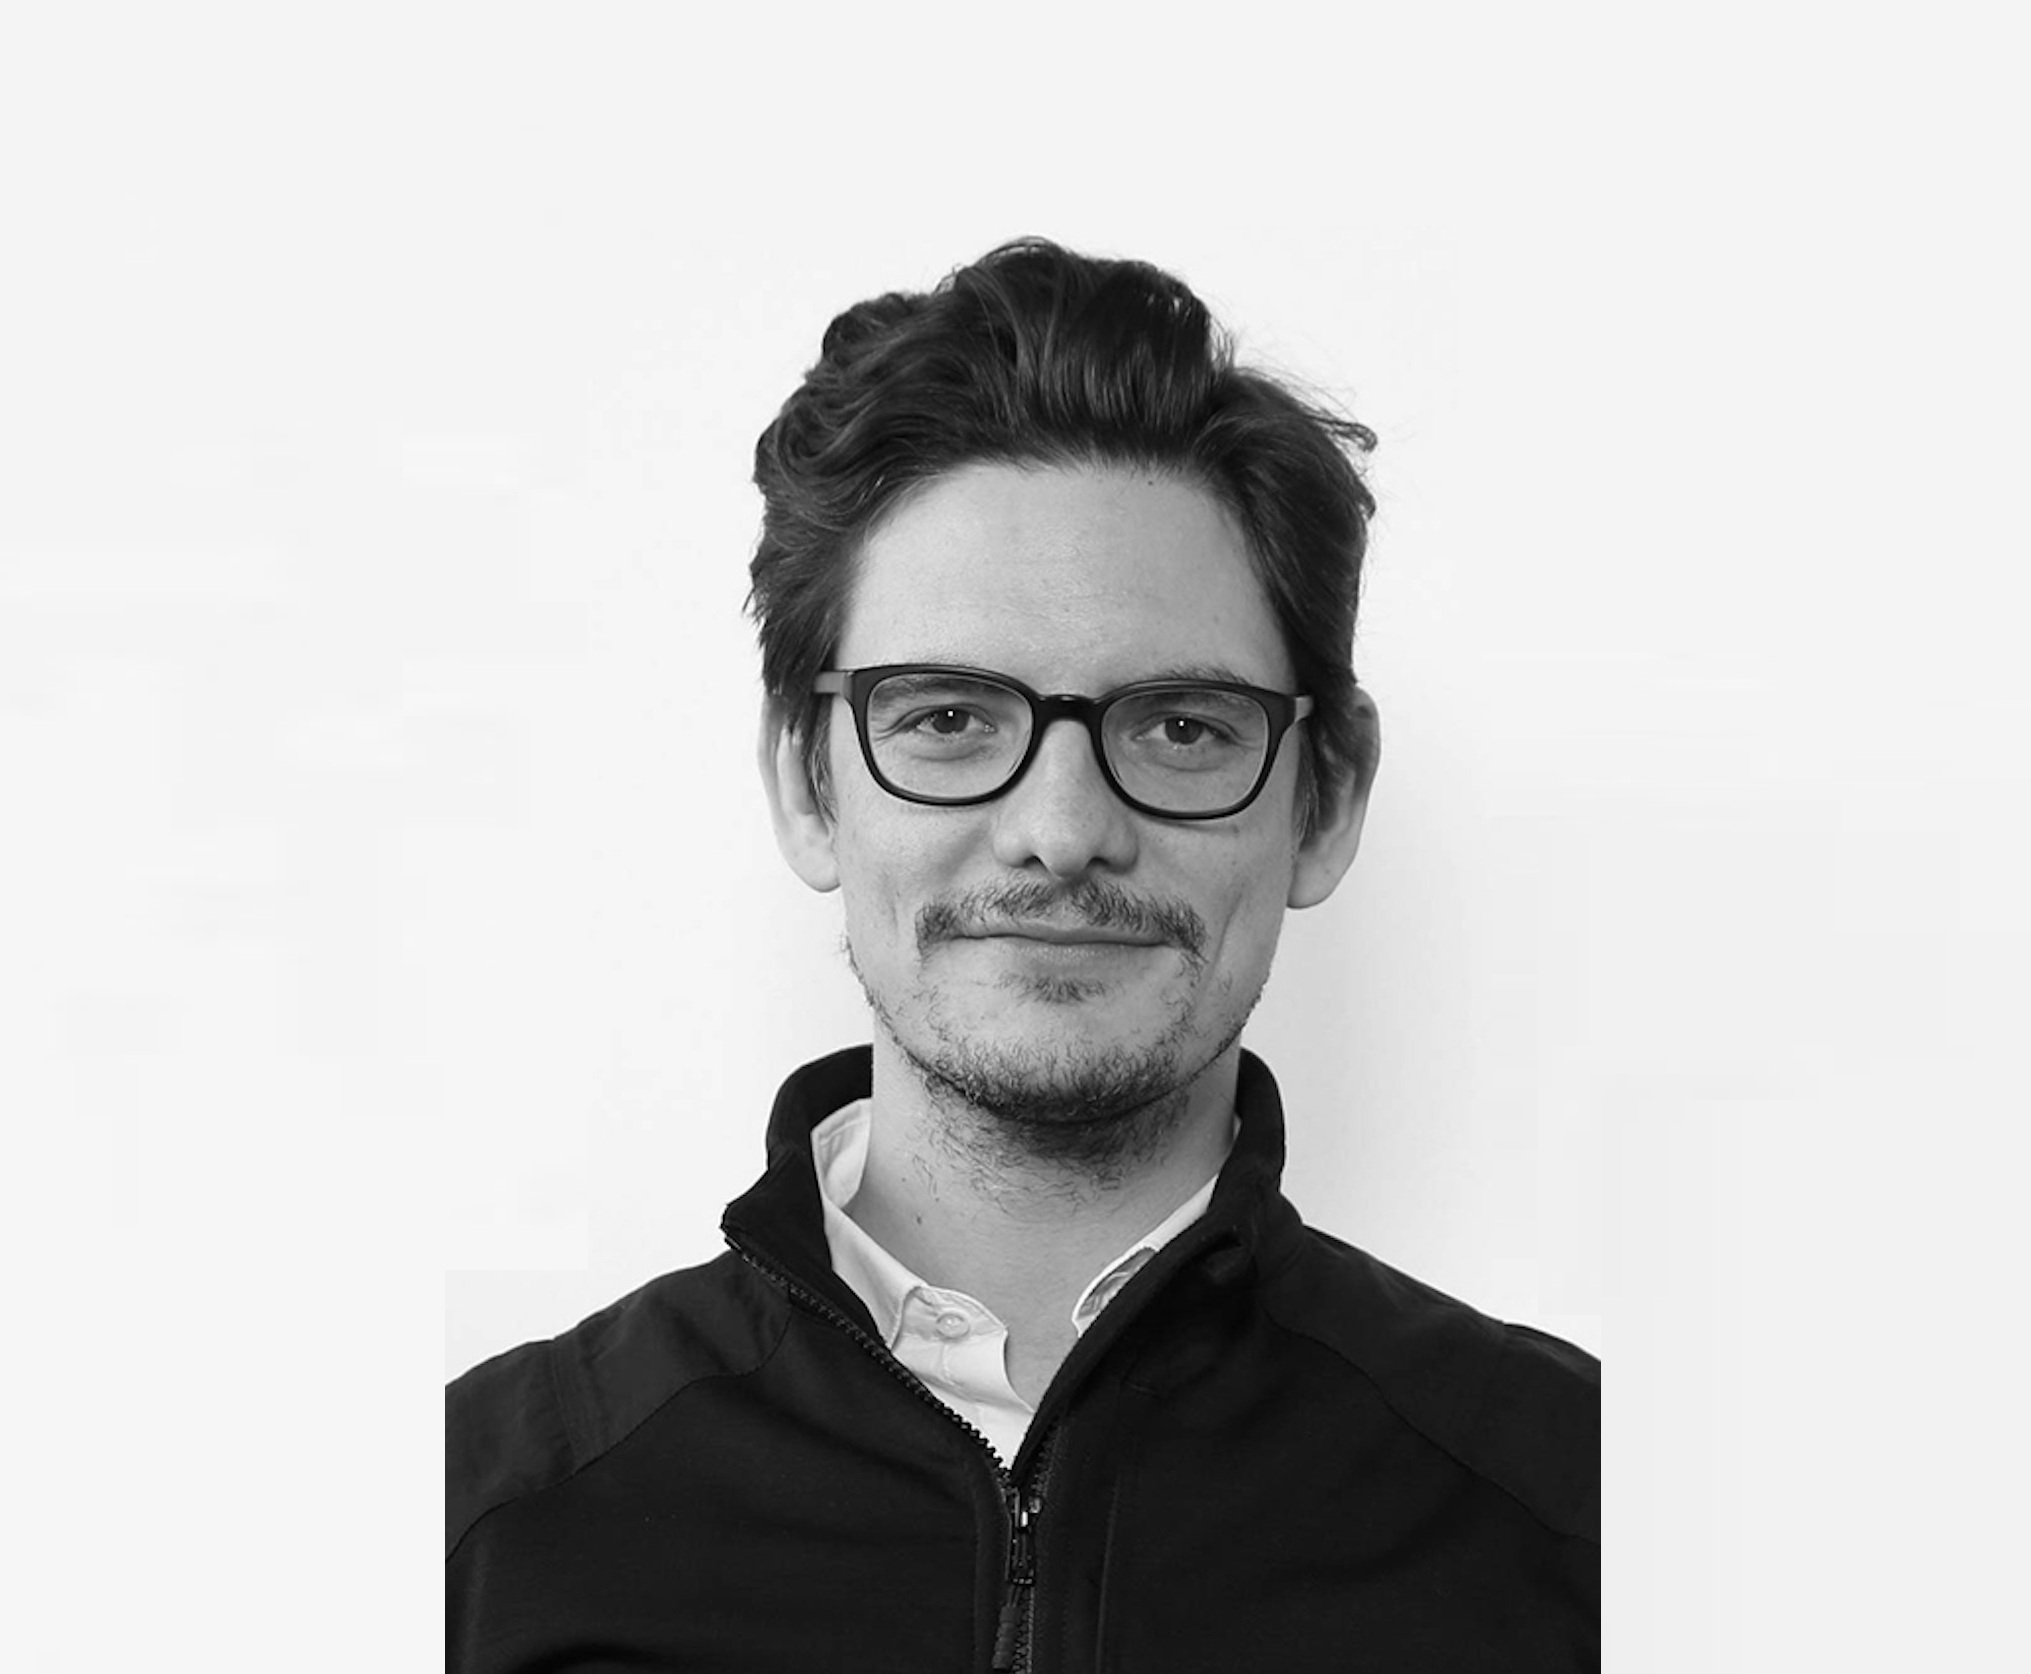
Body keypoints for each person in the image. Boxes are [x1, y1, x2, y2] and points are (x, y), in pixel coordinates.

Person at [446, 239, 1600, 1672]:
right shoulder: (477, 1531)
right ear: (808, 783)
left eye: (1180, 727)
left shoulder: (1588, 1520)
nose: (1060, 831)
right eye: (947, 719)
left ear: (1326, 802)